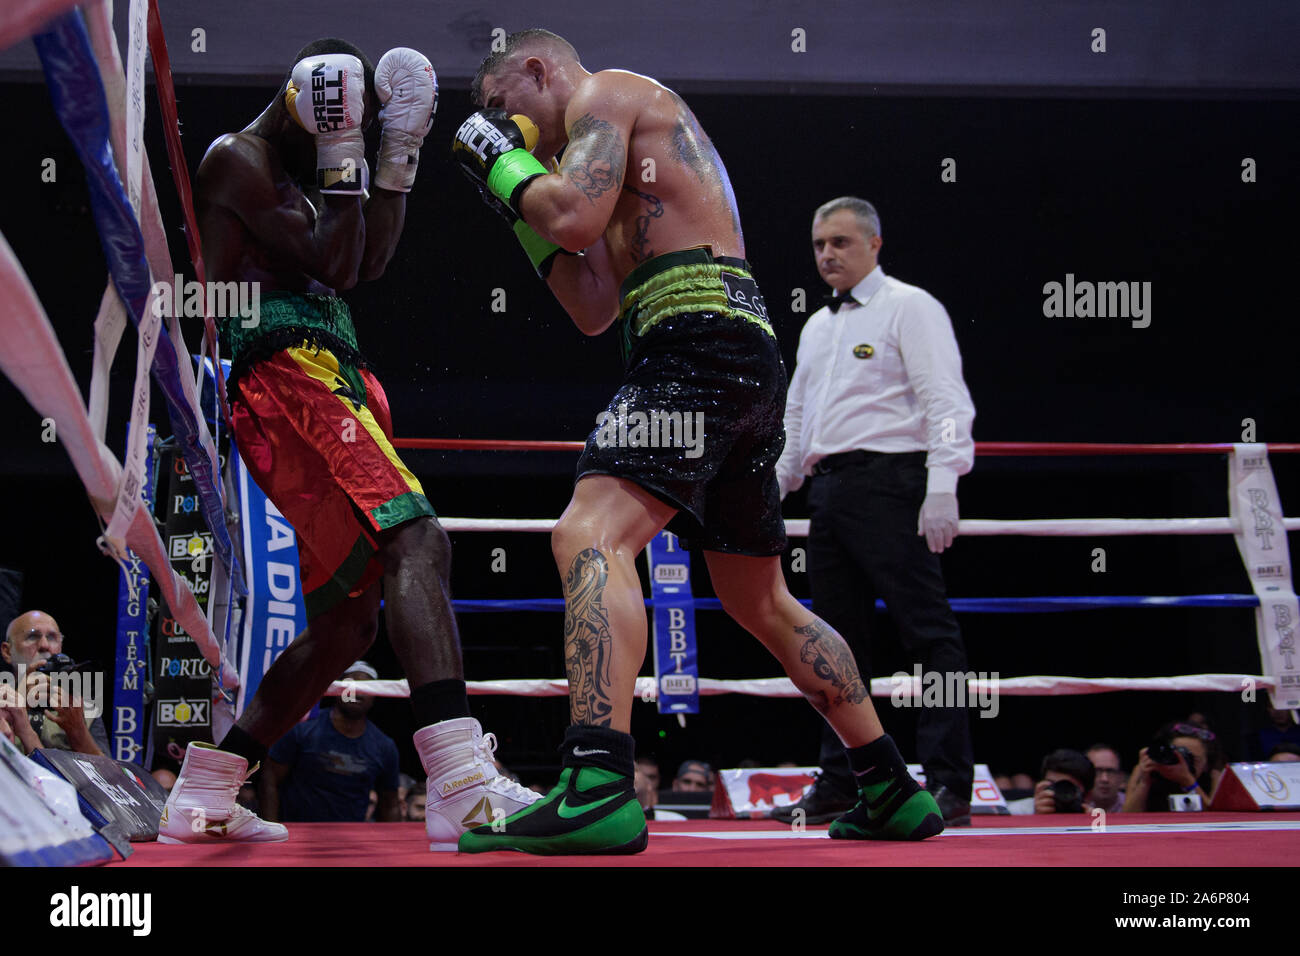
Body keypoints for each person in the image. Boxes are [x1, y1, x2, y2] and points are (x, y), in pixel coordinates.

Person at [450, 29, 943, 855]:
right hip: (724, 351)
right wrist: (513, 198)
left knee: (588, 534)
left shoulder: (604, 94)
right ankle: (890, 784)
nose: (511, 130)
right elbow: (593, 306)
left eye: (506, 108)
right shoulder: (593, 161)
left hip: (698, 341)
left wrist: (505, 168)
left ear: (537, 69)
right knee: (760, 598)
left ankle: (597, 784)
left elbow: (567, 210)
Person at [160, 38, 536, 849]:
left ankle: (203, 795)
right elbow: (335, 253)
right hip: (286, 370)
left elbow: (365, 261)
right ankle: (460, 782)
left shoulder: (300, 170)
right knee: (418, 539)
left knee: (346, 627)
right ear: (308, 105)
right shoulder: (240, 159)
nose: (351, 155)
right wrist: (340, 152)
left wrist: (397, 158)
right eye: (343, 133)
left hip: (331, 372)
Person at [769, 197, 976, 828]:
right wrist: (772, 491)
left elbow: (945, 398)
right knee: (832, 644)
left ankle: (948, 783)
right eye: (819, 245)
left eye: (840, 242)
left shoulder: (911, 307)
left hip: (892, 484)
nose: (827, 255)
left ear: (874, 243)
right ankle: (841, 781)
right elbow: (798, 420)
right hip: (827, 493)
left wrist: (944, 482)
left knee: (929, 634)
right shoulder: (817, 326)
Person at [260, 662, 401, 822]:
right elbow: (269, 780)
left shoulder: (384, 746)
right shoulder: (302, 728)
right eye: (351, 684)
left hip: (352, 839)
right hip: (298, 833)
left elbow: (389, 804)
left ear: (375, 695)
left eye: (366, 687)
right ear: (336, 690)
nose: (356, 693)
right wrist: (271, 828)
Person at [1, 610, 109, 756]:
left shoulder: (82, 706)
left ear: (60, 647)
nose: (44, 645)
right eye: (32, 636)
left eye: (52, 638)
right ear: (7, 652)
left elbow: (109, 777)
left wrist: (79, 733)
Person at [1124, 721, 1222, 811]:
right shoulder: (1147, 770)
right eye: (1180, 755)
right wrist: (1145, 782)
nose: (1184, 763)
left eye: (1193, 759)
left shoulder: (1214, 777)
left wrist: (1187, 780)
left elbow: (1218, 819)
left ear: (1207, 764)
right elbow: (1129, 817)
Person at [1005, 749, 1095, 815]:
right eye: (1052, 785)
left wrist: (1089, 824)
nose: (1057, 792)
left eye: (1066, 788)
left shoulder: (1098, 816)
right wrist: (1035, 818)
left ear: (1087, 795)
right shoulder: (1015, 812)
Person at [1085, 743, 1125, 814]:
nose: (1104, 779)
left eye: (1110, 771)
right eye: (1098, 771)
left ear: (1121, 777)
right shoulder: (1075, 806)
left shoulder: (1134, 806)